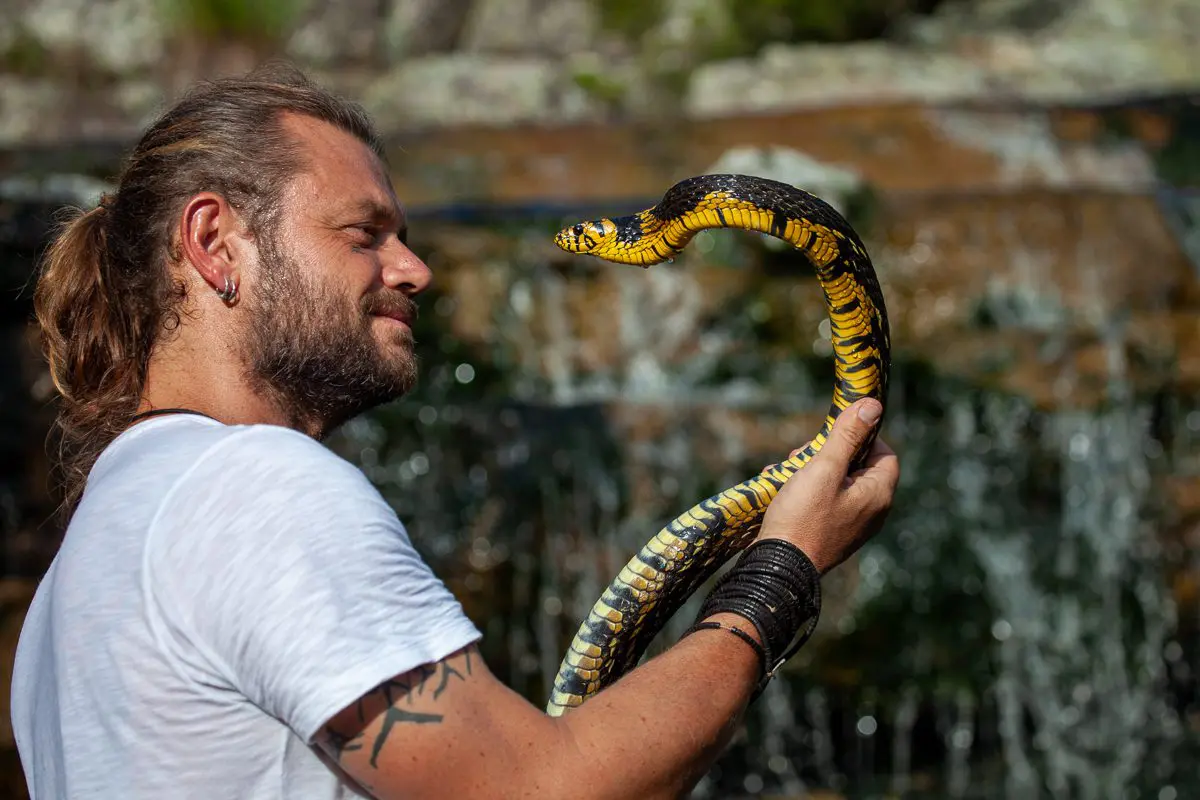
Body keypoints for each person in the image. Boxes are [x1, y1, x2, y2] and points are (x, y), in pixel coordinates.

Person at [11, 63, 899, 800]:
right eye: (366, 233)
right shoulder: (251, 487)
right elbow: (539, 792)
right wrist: (780, 577)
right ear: (215, 244)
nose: (415, 269)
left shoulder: (79, 575)